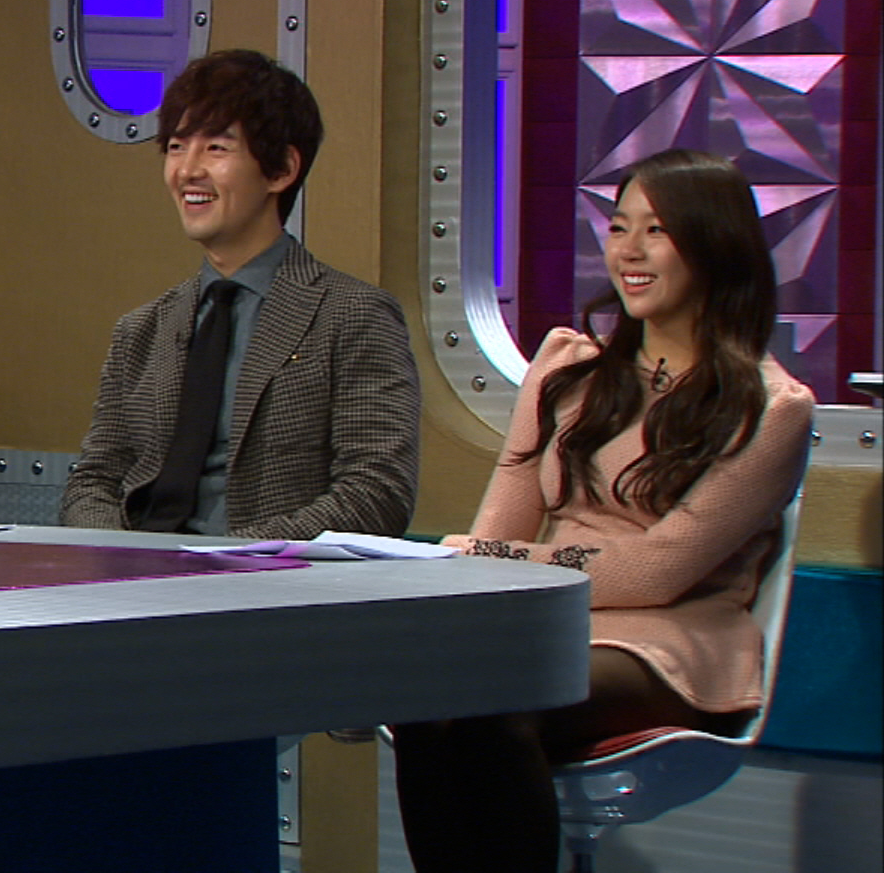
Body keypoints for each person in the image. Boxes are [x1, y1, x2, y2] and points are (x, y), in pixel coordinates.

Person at [390, 148, 815, 872]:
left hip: (667, 643)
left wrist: (494, 557)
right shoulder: (566, 371)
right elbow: (498, 531)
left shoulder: (771, 409)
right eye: (619, 228)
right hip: (543, 625)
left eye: (657, 230)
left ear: (715, 244)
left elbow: (655, 574)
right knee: (428, 700)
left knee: (498, 702)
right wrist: (487, 558)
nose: (629, 251)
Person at [59, 49, 419, 539]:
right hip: (139, 572)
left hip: (270, 575)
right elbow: (94, 481)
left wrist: (239, 558)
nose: (187, 170)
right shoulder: (142, 330)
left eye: (216, 148)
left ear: (281, 170)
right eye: (176, 147)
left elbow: (377, 492)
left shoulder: (353, 316)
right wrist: (125, 555)